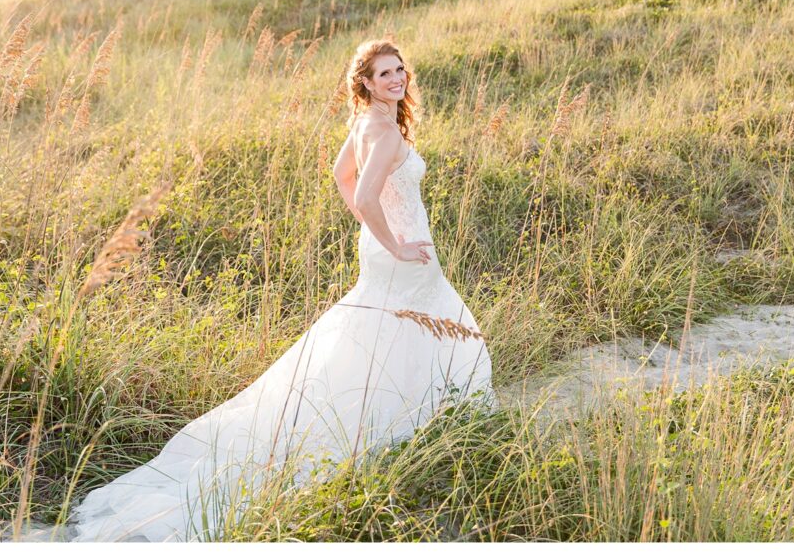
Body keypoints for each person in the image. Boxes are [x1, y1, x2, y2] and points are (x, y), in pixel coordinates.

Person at [59, 39, 494, 542]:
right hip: (403, 256)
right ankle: (403, 430)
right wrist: (395, 244)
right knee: (441, 337)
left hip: (385, 250)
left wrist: (377, 234)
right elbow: (367, 192)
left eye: (400, 70)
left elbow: (341, 177)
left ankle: (405, 425)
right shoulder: (387, 135)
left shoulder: (365, 124)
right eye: (384, 74)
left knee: (384, 341)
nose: (397, 79)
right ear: (367, 84)